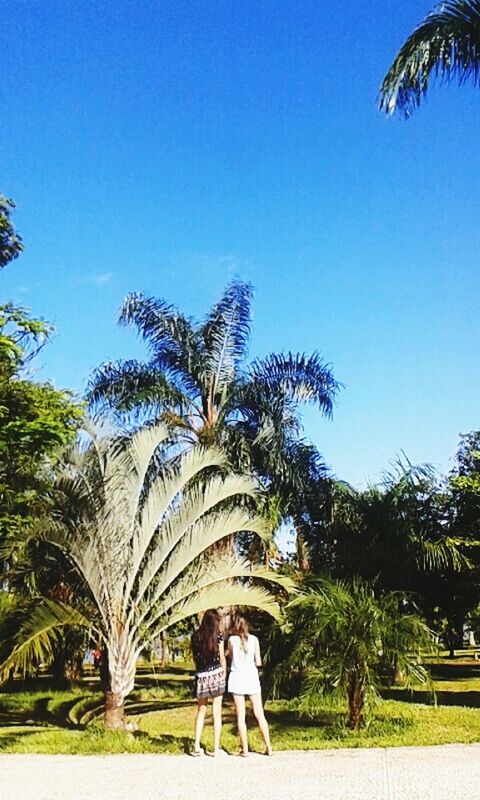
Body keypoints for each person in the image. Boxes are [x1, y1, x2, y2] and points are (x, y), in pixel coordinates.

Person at [226, 614, 273, 757]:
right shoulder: (254, 640)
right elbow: (258, 661)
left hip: (237, 677)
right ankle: (269, 747)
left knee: (241, 715)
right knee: (259, 713)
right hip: (251, 677)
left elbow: (229, 655)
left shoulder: (232, 640)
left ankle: (245, 749)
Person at [191, 609, 226, 756]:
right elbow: (222, 657)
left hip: (202, 676)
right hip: (216, 674)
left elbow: (195, 658)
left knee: (201, 710)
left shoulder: (195, 637)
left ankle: (196, 746)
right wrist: (225, 673)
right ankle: (216, 748)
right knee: (216, 712)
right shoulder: (218, 637)